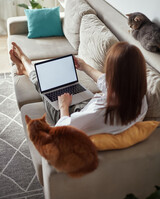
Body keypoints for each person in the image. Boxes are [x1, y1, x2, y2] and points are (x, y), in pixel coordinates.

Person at [9, 41, 148, 136]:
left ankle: (27, 65)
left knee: (46, 87)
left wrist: (64, 106)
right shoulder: (139, 97)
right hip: (87, 108)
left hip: (71, 115)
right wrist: (85, 66)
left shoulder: (99, 112)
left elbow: (62, 130)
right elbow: (108, 83)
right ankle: (27, 69)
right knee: (59, 85)